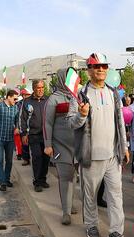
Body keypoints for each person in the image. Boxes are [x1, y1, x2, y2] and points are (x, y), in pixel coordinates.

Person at [67, 53, 129, 237]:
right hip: (90, 157)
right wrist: (81, 115)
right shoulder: (79, 95)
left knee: (116, 196)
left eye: (103, 65)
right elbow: (71, 122)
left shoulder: (113, 93)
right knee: (90, 195)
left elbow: (120, 123)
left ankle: (116, 232)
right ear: (88, 70)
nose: (100, 69)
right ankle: (91, 225)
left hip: (112, 156)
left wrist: (124, 147)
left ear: (107, 69)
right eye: (95, 66)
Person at [44, 68, 78, 225]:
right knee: (65, 177)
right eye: (69, 77)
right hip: (60, 146)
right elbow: (48, 124)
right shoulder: (53, 99)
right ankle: (66, 212)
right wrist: (48, 145)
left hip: (78, 145)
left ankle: (70, 204)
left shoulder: (78, 96)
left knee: (75, 177)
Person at [20, 79, 50, 193]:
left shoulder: (48, 100)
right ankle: (37, 182)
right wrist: (23, 134)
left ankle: (43, 179)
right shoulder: (27, 102)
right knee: (37, 157)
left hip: (47, 135)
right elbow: (22, 119)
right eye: (38, 88)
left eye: (42, 87)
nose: (41, 90)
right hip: (33, 135)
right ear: (33, 89)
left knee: (46, 158)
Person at [18, 87, 32, 166]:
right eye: (23, 95)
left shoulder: (32, 102)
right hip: (23, 126)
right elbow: (19, 116)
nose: (24, 96)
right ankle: (26, 159)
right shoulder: (19, 103)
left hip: (33, 126)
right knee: (24, 144)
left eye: (26, 95)